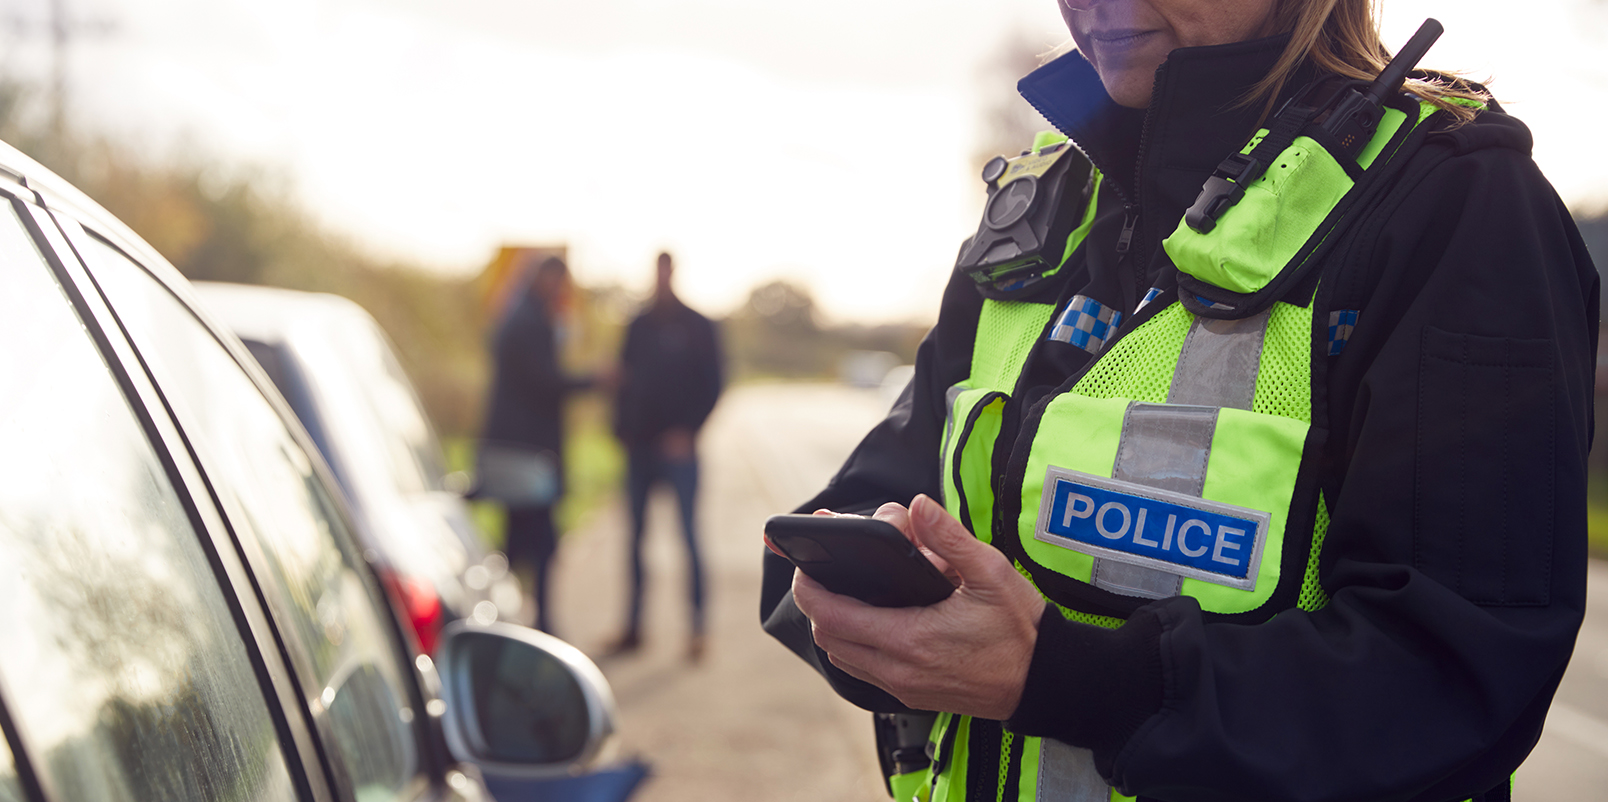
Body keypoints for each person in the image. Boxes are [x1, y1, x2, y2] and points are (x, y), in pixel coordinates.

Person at [759, 1, 1599, 801]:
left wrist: (1060, 678)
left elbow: (1453, 682)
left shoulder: (1458, 206)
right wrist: (870, 616)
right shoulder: (1039, 209)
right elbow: (847, 518)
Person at [612, 251, 724, 660]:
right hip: (640, 449)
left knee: (689, 537)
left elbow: (714, 384)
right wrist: (620, 431)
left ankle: (697, 630)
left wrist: (689, 431)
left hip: (679, 450)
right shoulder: (638, 324)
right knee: (634, 539)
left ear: (673, 273)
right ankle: (633, 627)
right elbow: (622, 378)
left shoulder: (698, 325)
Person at [478, 255, 590, 635]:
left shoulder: (521, 315)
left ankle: (512, 621)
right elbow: (546, 382)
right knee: (535, 543)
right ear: (545, 279)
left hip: (520, 452)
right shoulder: (529, 321)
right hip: (526, 455)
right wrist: (594, 380)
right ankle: (530, 625)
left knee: (522, 541)